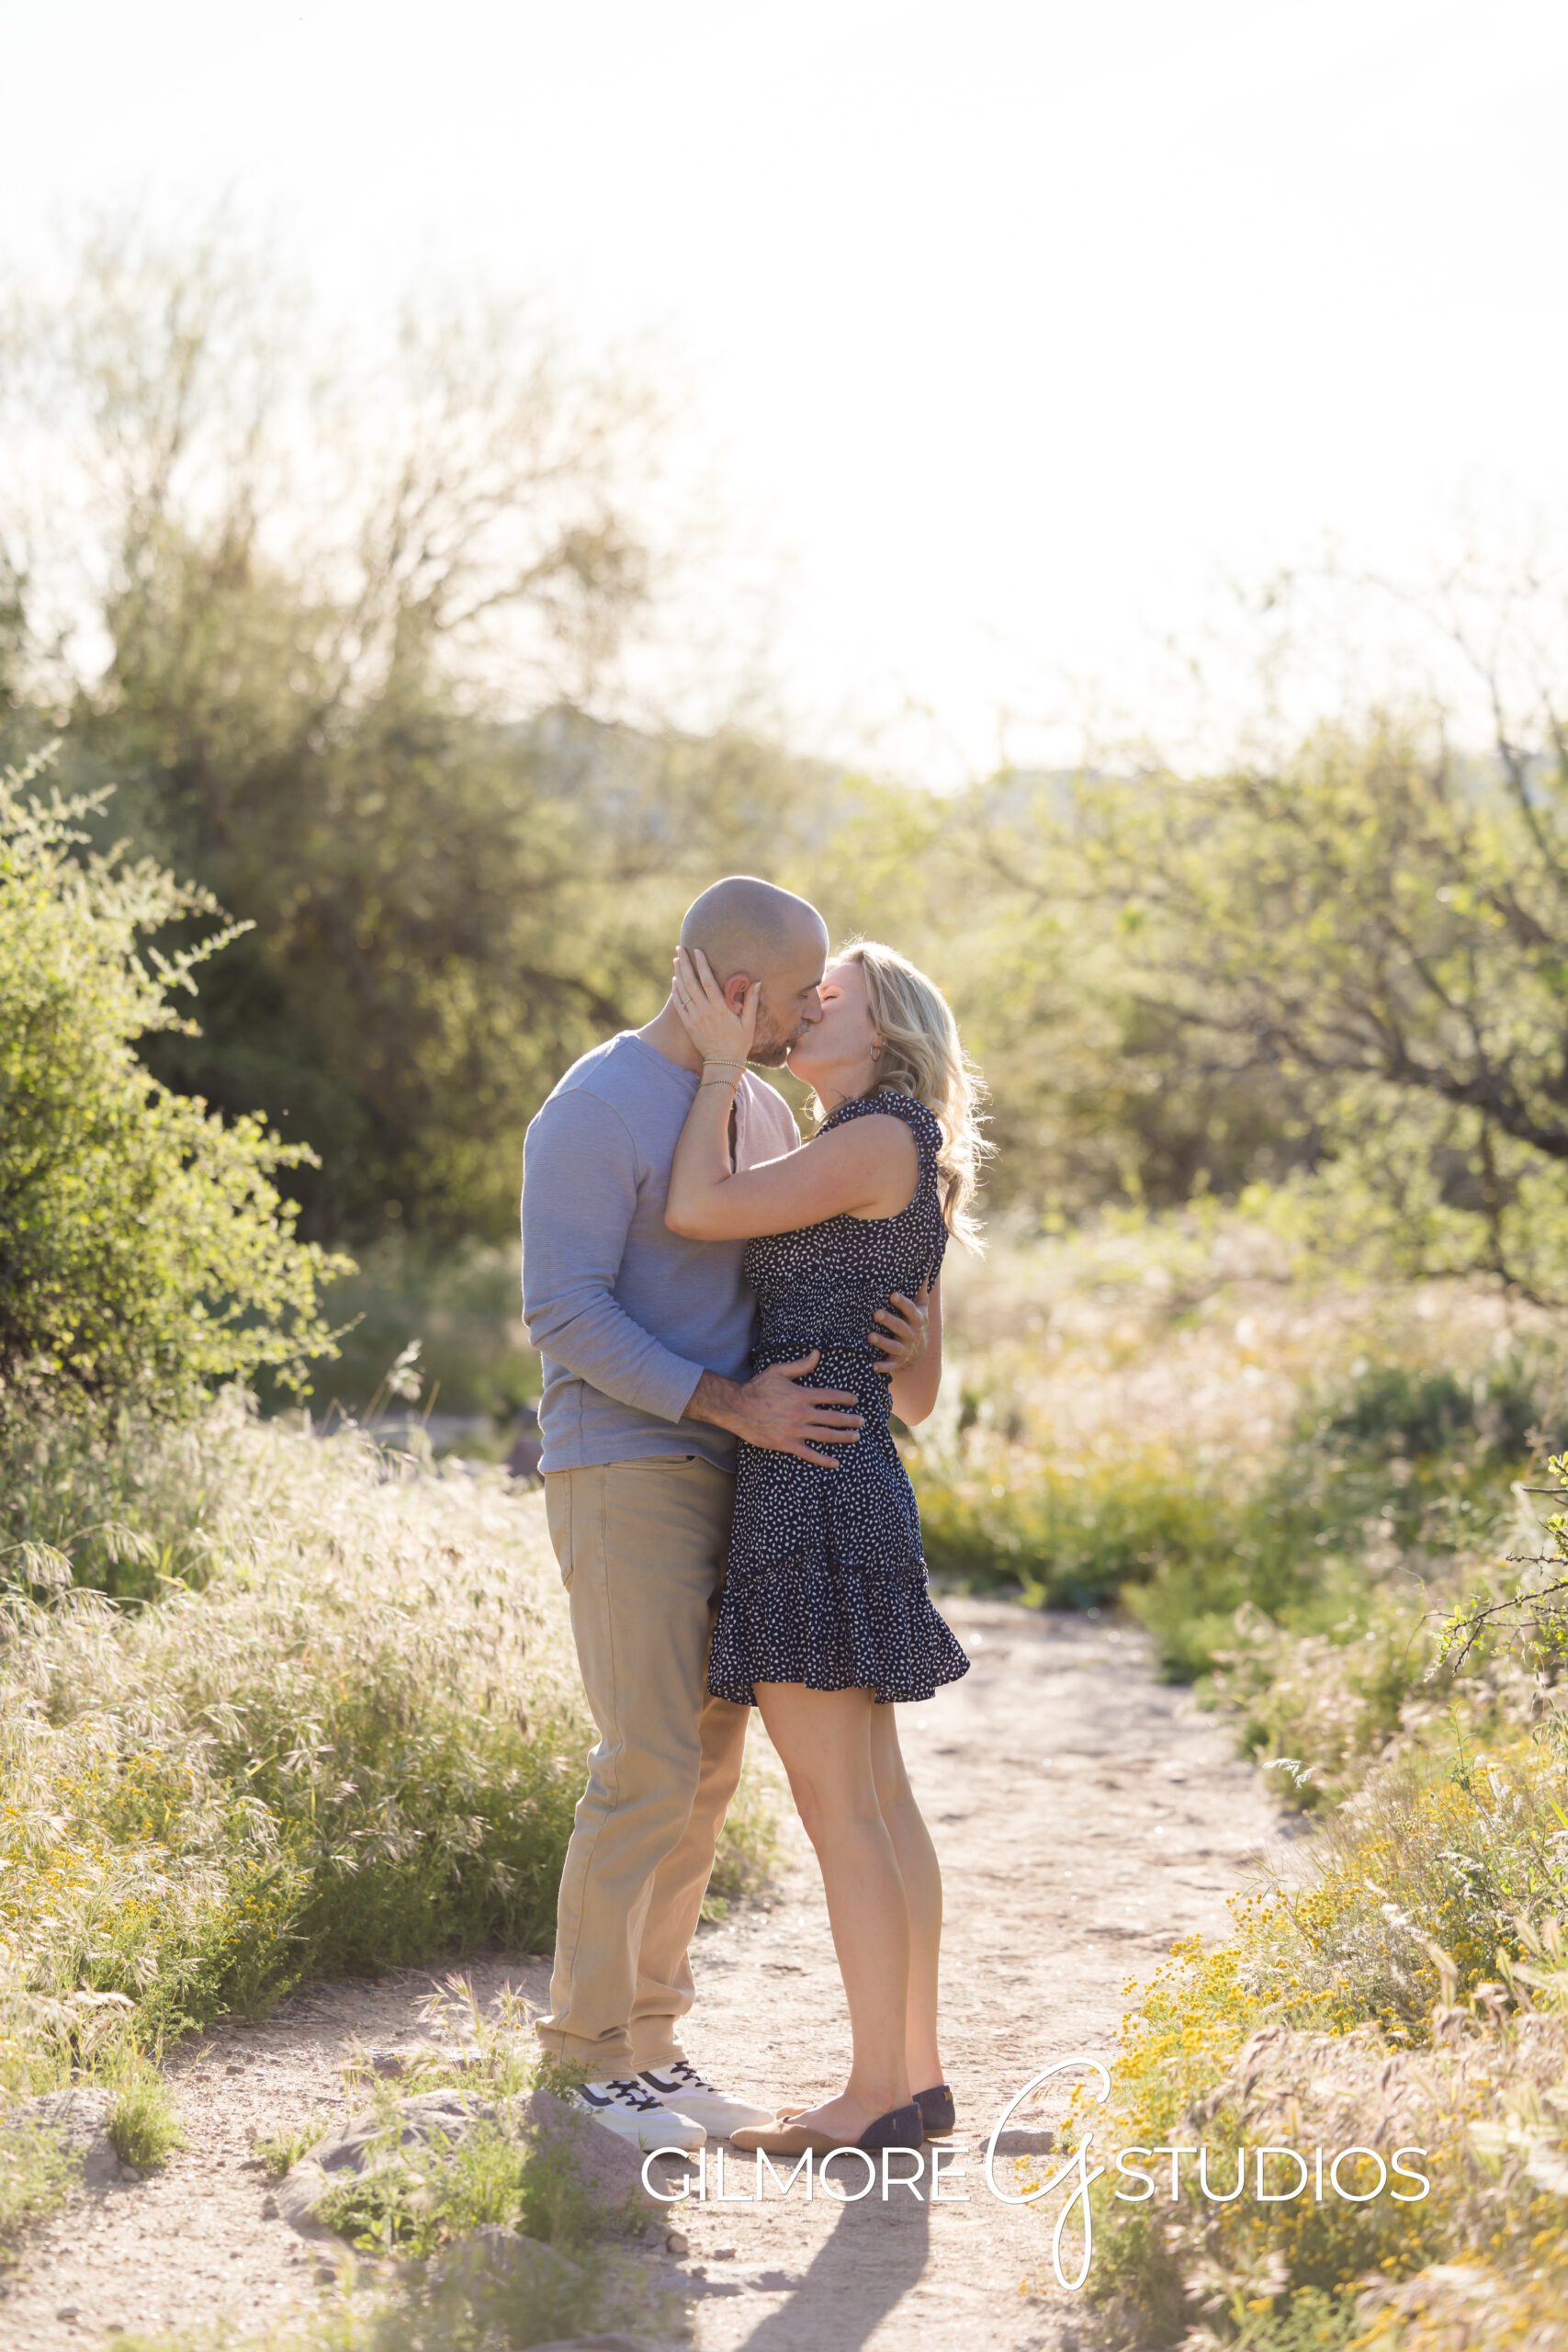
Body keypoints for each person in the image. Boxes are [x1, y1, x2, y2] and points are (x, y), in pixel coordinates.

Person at [520, 877, 933, 2151]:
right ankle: (585, 2067)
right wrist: (723, 1402)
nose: (814, 1008)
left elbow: (799, 1272)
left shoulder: (754, 1101)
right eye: (802, 989)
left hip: (746, 1468)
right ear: (741, 991)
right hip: (631, 1458)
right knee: (645, 1762)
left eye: (833, 994)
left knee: (702, 1774)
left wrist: (892, 1350)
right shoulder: (593, 1108)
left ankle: (652, 2045)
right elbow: (565, 1313)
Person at [662, 934, 987, 2157]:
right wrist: (889, 1337)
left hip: (812, 1488)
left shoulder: (872, 1136)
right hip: (849, 1470)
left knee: (836, 1807)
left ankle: (869, 2098)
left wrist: (710, 1069)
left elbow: (697, 1208)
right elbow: (921, 1396)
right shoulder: (896, 1146)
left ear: (882, 1023)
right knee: (878, 1803)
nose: (799, 1009)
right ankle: (914, 2079)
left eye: (823, 998)